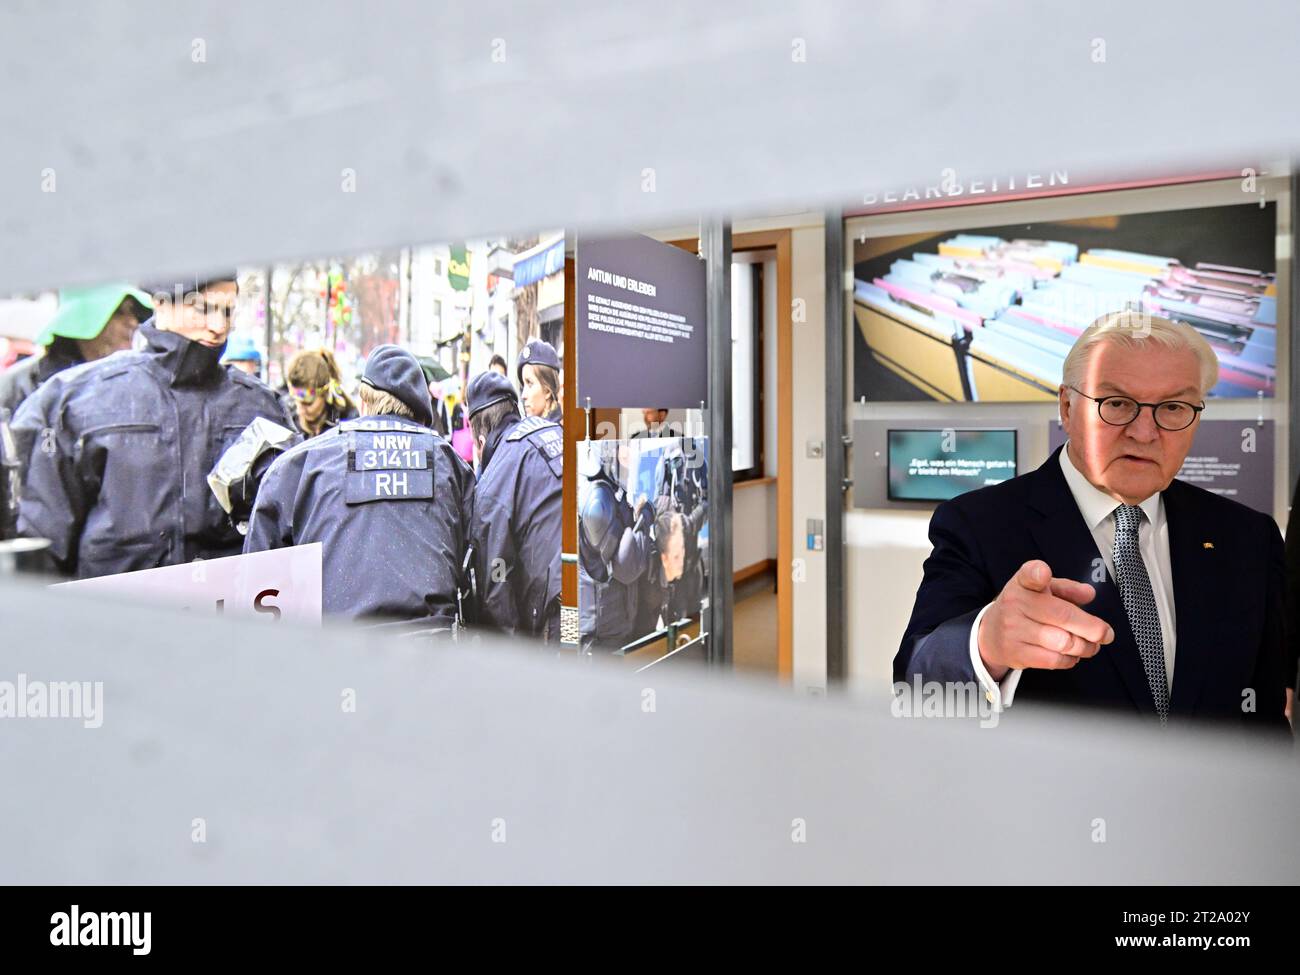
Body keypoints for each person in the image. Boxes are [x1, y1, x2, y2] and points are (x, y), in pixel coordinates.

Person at [895, 311, 1289, 732]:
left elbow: (1263, 719)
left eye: (1173, 407)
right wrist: (987, 644)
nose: (1144, 432)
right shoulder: (979, 523)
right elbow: (915, 690)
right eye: (1117, 404)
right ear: (1067, 407)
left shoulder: (1249, 537)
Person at [12, 271, 295, 579]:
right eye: (202, 308)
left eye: (227, 310)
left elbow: (284, 528)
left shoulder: (262, 406)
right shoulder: (77, 401)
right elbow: (45, 539)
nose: (218, 326)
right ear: (161, 303)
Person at [244, 345, 474, 626]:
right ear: (421, 419)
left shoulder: (298, 465)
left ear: (364, 403)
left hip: (334, 651)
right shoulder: (449, 463)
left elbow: (258, 583)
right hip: (430, 649)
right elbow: (477, 564)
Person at [463, 370, 562, 639]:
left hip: (557, 616)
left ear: (480, 442)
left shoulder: (494, 480)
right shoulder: (554, 430)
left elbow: (496, 592)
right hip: (595, 592)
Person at [0, 283, 150, 418]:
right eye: (118, 312)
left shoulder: (142, 382)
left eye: (132, 312)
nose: (133, 322)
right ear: (84, 318)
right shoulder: (19, 387)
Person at [578, 440, 651, 653]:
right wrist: (645, 520)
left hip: (616, 622)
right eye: (623, 448)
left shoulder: (610, 491)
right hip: (599, 634)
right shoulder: (597, 501)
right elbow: (626, 565)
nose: (629, 456)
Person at [285, 348, 358, 437]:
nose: (299, 411)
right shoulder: (286, 418)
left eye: (308, 402)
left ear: (326, 393)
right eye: (295, 399)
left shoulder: (349, 422)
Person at [516, 339, 562, 424]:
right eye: (523, 386)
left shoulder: (562, 434)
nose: (523, 395)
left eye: (530, 383)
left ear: (547, 391)